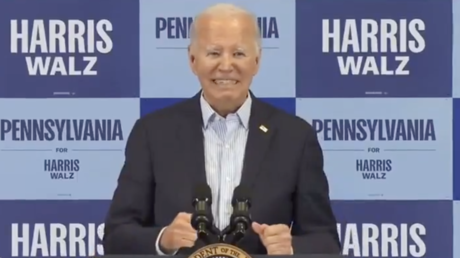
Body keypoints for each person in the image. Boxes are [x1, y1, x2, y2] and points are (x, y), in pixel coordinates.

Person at [103, 3, 341, 255]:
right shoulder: (152, 133)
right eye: (214, 53)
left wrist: (292, 247)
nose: (226, 66)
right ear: (193, 60)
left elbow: (325, 242)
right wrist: (163, 239)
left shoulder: (296, 137)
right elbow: (116, 235)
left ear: (257, 61)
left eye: (238, 53)